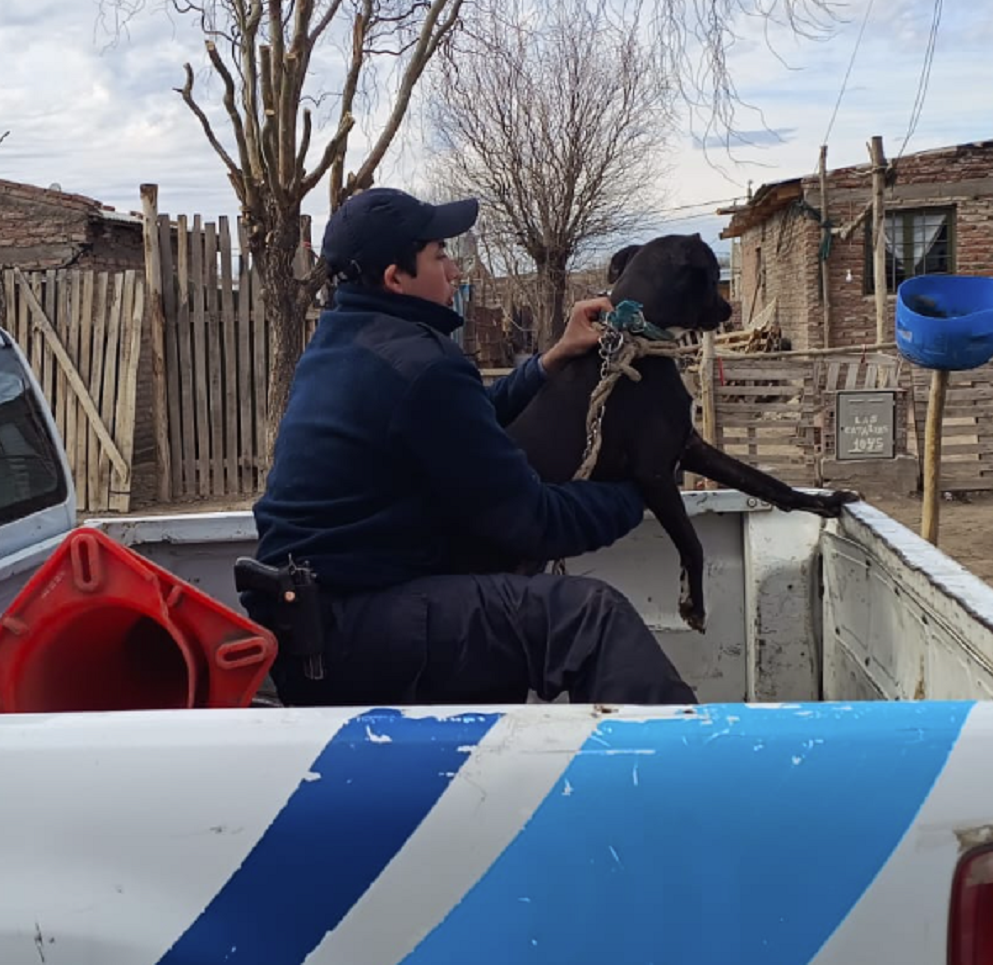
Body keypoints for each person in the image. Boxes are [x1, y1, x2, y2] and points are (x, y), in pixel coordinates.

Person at [248, 186, 698, 709]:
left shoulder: (344, 342)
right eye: (439, 255)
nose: (455, 269)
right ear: (397, 278)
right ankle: (679, 776)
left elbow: (462, 418)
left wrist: (551, 359)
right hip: (352, 634)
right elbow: (534, 522)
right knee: (587, 617)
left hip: (313, 624)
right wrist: (640, 490)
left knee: (494, 596)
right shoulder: (422, 364)